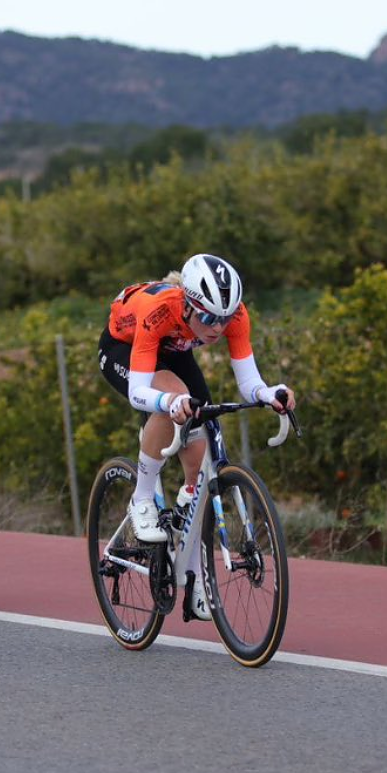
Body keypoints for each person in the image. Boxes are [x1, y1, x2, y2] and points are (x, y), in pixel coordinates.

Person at [97, 253, 295, 620]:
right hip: (124, 344)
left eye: (223, 318)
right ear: (186, 304)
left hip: (175, 347)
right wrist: (169, 401)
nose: (217, 328)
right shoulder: (159, 310)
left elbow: (249, 382)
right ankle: (142, 499)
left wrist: (271, 394)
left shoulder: (232, 315)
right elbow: (140, 390)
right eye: (207, 317)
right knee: (170, 397)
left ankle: (192, 569)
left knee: (199, 452)